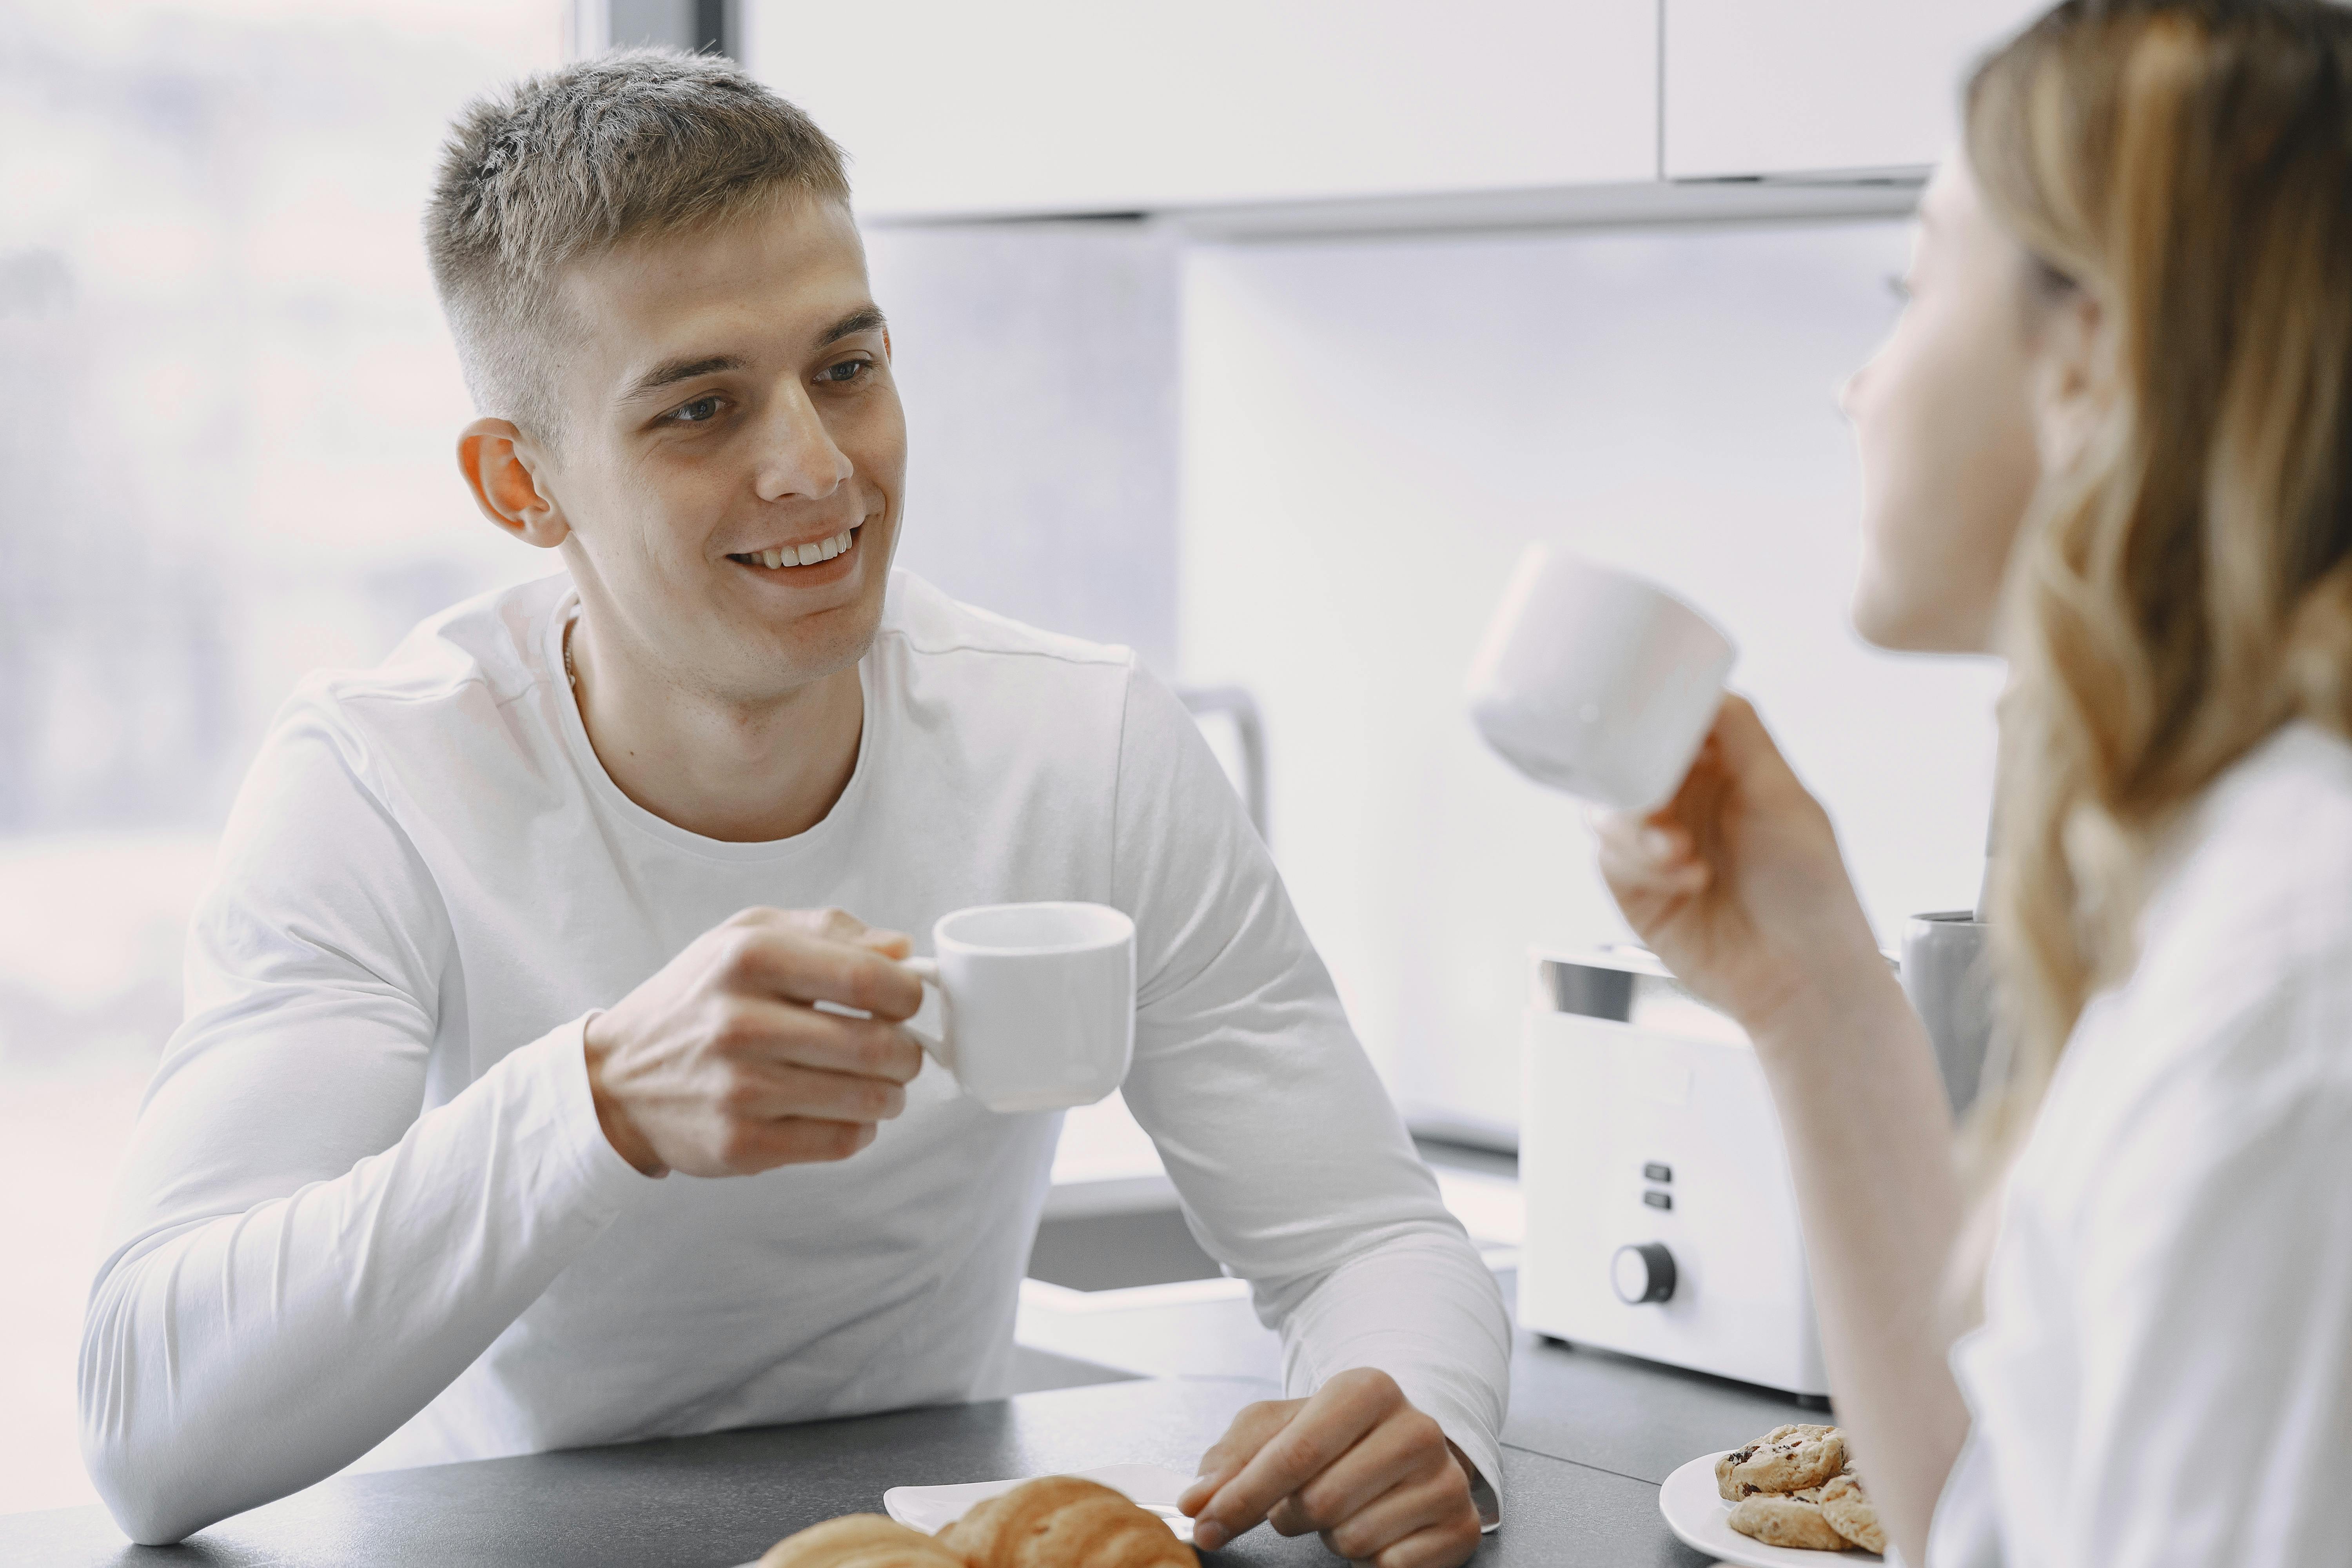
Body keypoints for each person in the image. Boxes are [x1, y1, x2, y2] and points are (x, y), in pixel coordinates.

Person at [77, 52, 1507, 1565]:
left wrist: (1419, 1415)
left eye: (847, 368)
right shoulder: (379, 786)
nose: (818, 471)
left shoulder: (1081, 741)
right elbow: (144, 1426)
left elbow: (1366, 1237)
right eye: (699, 409)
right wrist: (599, 1100)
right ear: (520, 484)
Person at [1593, 1, 2352, 1563]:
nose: (1854, 386)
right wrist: (1807, 986)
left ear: (2089, 350)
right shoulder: (2229, 900)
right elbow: (1994, 1523)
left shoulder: (2289, 990)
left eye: (1911, 283)